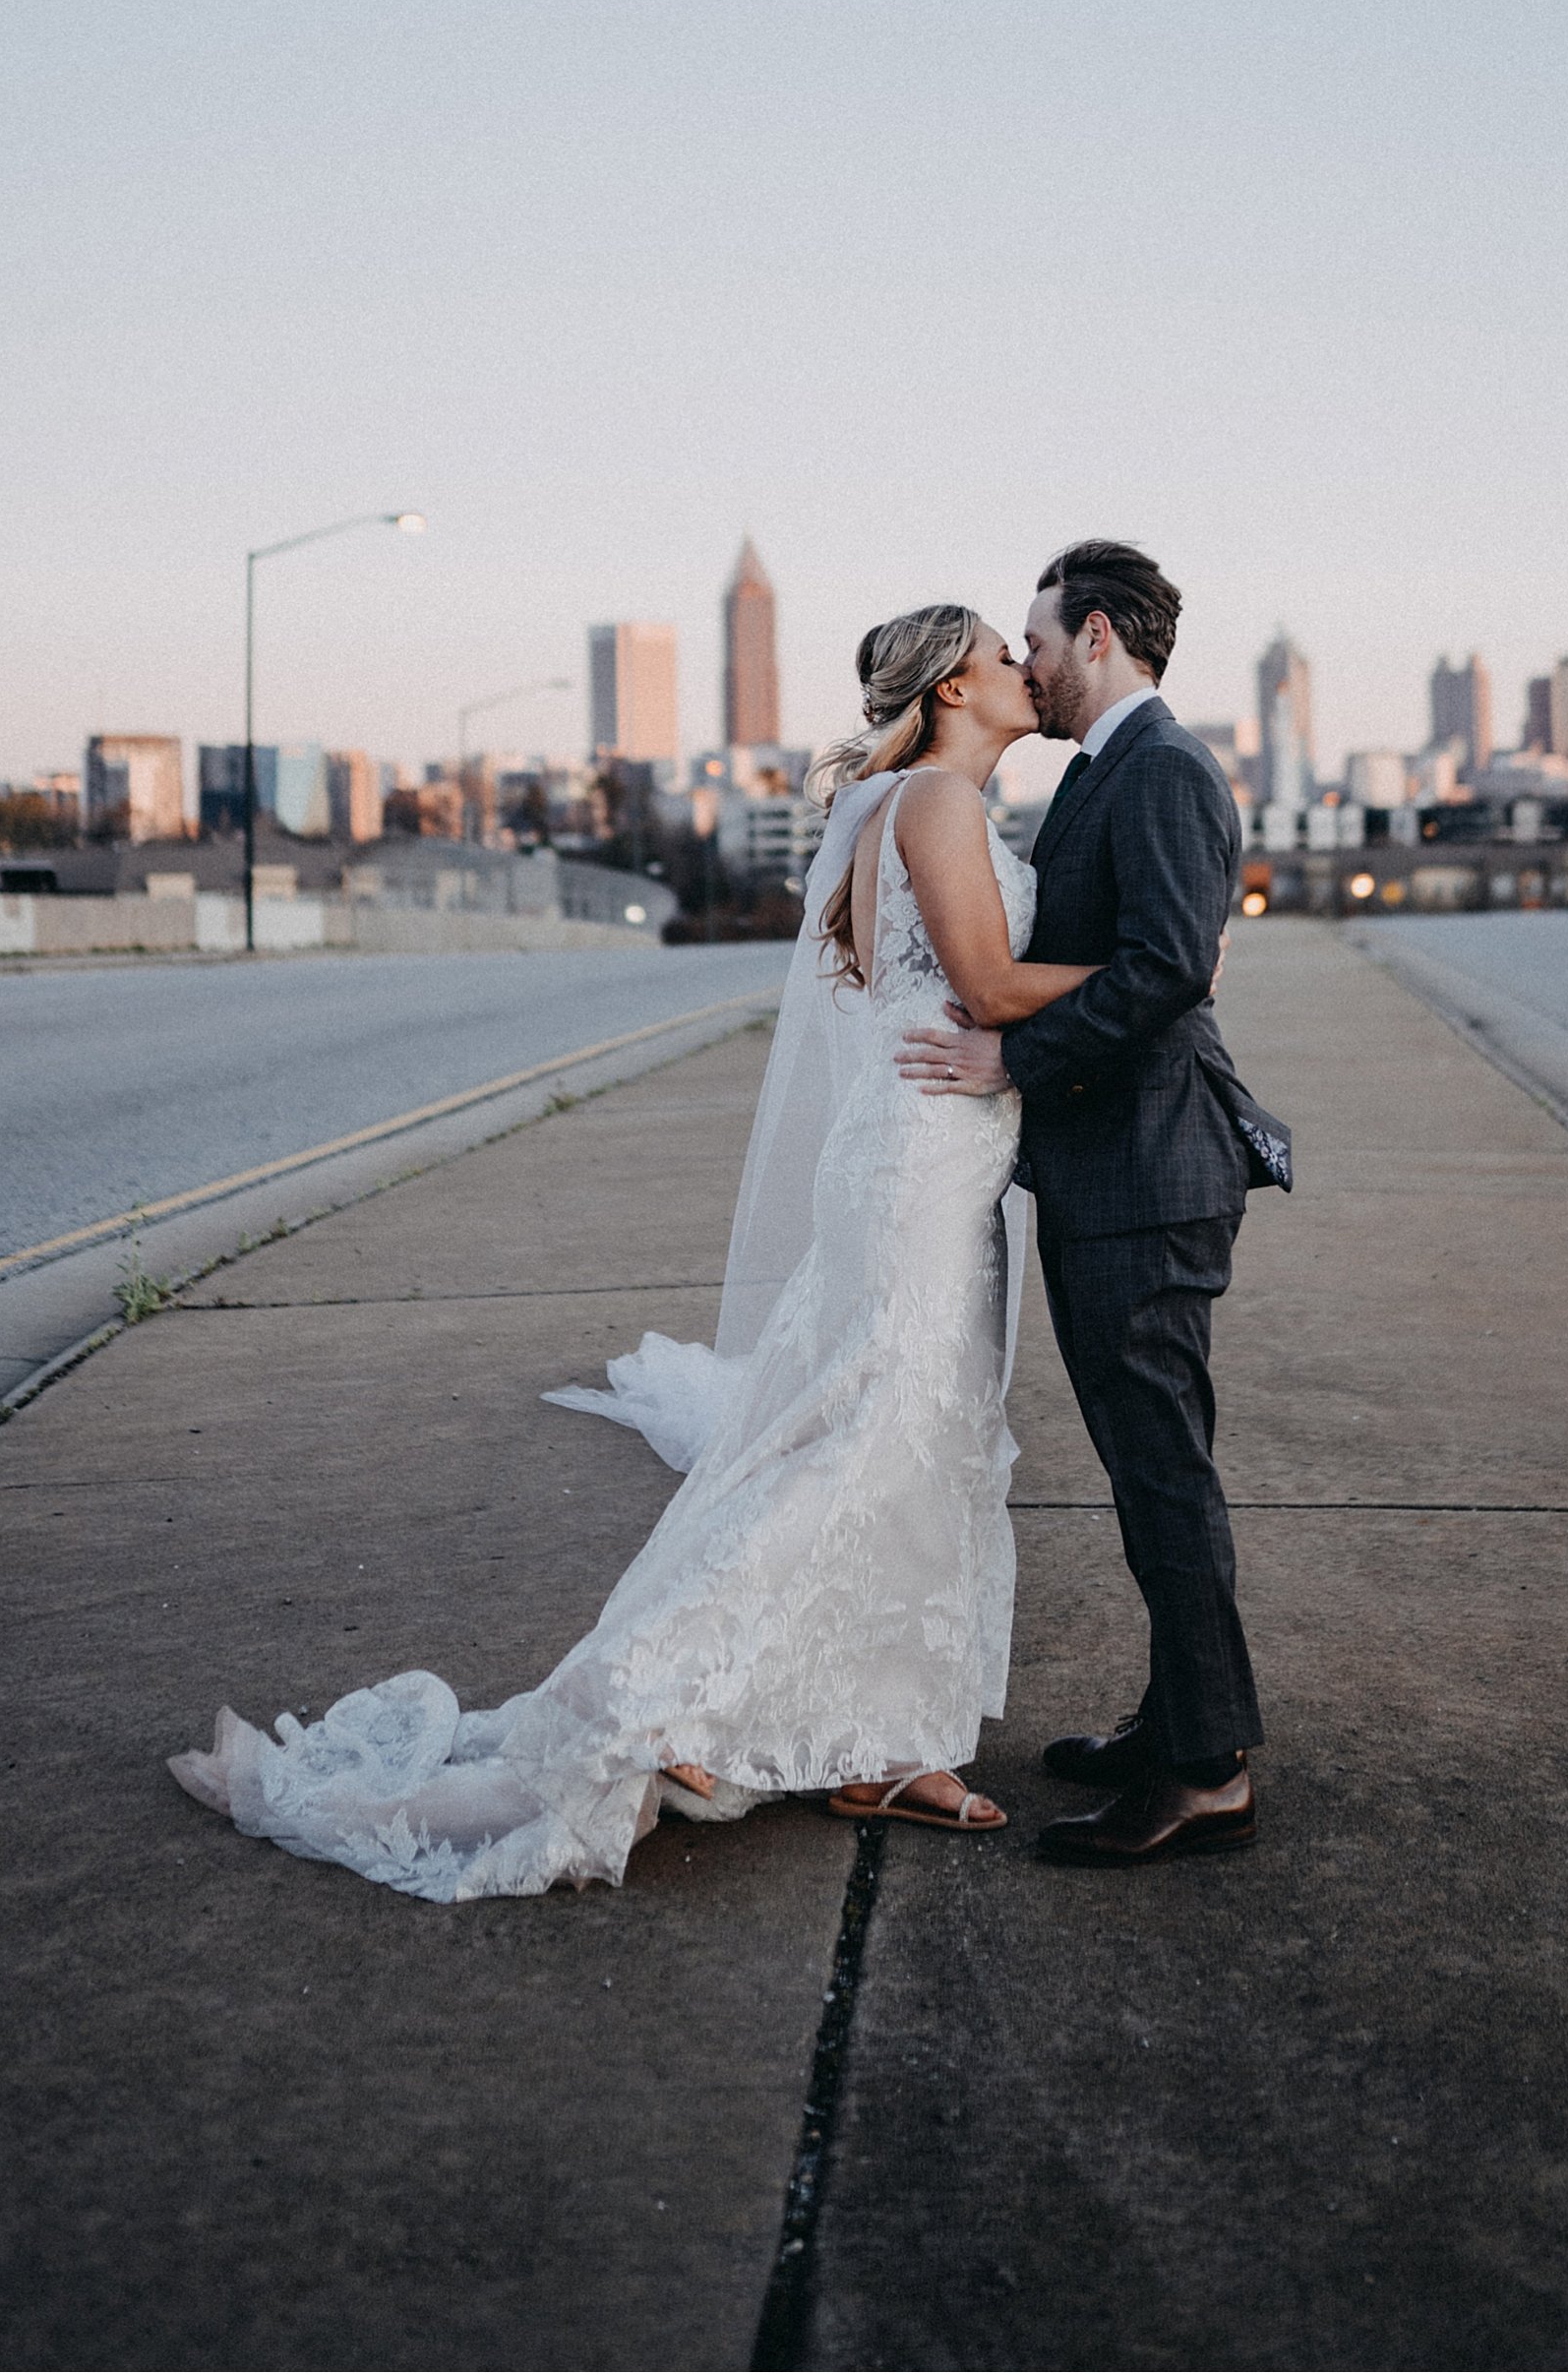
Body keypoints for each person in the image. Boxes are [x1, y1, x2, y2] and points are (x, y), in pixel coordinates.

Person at [168, 604, 1093, 1900]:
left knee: (905, 1437)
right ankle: (658, 1705)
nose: (1022, 666)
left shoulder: (912, 809)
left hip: (924, 1153)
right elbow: (988, 992)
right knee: (869, 1439)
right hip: (918, 1166)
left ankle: (883, 1741)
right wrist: (1152, 961)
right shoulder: (934, 808)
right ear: (948, 690)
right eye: (1001, 651)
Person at [898, 540, 1282, 1868]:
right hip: (1108, 1169)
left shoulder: (1163, 770)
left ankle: (1204, 1768)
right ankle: (1180, 1715)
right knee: (1145, 1468)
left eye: (1041, 641)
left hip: (1150, 1174)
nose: (1030, 665)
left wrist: (1020, 1054)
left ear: (1101, 634)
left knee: (1164, 1472)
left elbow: (1171, 966)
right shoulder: (1106, 772)